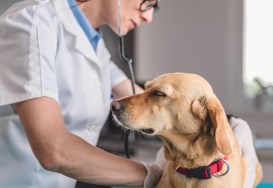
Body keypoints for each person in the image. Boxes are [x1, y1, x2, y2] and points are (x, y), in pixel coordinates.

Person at [0, 0, 258, 188]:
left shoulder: (97, 49)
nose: (148, 18)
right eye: (150, 3)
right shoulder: (32, 21)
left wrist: (230, 124)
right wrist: (155, 173)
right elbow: (53, 150)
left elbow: (156, 101)